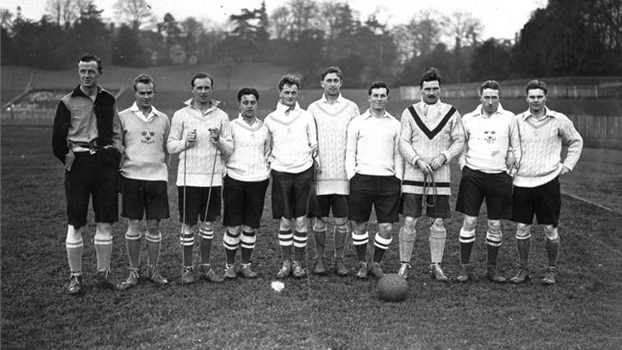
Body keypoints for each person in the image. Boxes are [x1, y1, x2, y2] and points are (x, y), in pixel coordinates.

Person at [52, 53, 123, 294]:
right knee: (76, 221)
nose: (86, 75)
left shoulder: (109, 99)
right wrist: (70, 159)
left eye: (91, 71)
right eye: (82, 71)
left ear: (99, 72)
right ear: (78, 72)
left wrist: (115, 154)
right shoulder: (68, 101)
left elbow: (116, 132)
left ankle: (104, 273)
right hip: (79, 163)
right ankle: (76, 277)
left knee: (105, 220)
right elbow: (57, 141)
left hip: (104, 164)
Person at [510, 79, 583, 285]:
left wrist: (567, 165)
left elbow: (576, 141)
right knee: (522, 227)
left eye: (539, 97)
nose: (535, 100)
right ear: (526, 98)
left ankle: (551, 270)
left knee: (549, 228)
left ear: (545, 98)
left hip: (548, 182)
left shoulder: (558, 120)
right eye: (531, 97)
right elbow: (509, 145)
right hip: (522, 182)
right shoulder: (517, 121)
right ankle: (523, 270)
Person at [397, 67, 464, 281]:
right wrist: (417, 160)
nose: (431, 92)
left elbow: (459, 140)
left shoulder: (452, 112)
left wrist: (443, 157)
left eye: (435, 88)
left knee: (438, 221)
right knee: (409, 221)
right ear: (420, 90)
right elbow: (403, 141)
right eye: (427, 89)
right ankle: (404, 265)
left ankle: (436, 265)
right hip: (414, 175)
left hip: (440, 175)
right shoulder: (409, 112)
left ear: (440, 90)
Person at [167, 73, 233, 284]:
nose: (203, 92)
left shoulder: (221, 116)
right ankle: (187, 269)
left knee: (207, 225)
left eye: (207, 88)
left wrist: (218, 140)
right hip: (188, 179)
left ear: (211, 89)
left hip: (212, 179)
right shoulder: (180, 115)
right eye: (199, 88)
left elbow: (230, 149)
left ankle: (205, 267)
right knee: (188, 224)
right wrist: (185, 142)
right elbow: (170, 146)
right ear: (192, 89)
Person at [455, 80, 520, 283]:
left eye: (494, 97)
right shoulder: (468, 119)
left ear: (499, 97)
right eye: (487, 97)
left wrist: (511, 169)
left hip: (499, 176)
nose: (490, 101)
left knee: (494, 224)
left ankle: (492, 269)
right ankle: (464, 268)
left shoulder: (509, 118)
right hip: (473, 175)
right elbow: (460, 146)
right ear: (480, 97)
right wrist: (464, 168)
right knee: (470, 221)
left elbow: (516, 146)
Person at [117, 74, 170, 290]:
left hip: (156, 177)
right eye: (142, 93)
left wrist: (159, 168)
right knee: (134, 224)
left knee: (154, 225)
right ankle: (133, 271)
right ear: (135, 93)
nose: (146, 96)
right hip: (131, 177)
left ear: (154, 93)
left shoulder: (163, 118)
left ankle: (153, 269)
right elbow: (118, 146)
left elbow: (167, 149)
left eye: (150, 93)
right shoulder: (123, 117)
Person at [346, 81, 403, 279]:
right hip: (362, 179)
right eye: (375, 95)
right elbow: (350, 153)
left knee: (386, 227)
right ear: (369, 98)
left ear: (388, 98)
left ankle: (376, 263)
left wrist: (398, 178)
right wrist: (352, 177)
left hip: (388, 181)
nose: (379, 99)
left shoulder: (395, 124)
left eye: (382, 95)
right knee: (359, 225)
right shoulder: (357, 123)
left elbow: (398, 155)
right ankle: (362, 263)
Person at [307, 66, 360, 276]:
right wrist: (314, 163)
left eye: (335, 80)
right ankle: (319, 260)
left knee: (341, 221)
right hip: (320, 175)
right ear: (322, 83)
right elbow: (310, 140)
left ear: (341, 83)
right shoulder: (312, 108)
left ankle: (339, 260)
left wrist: (353, 169)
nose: (332, 84)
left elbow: (356, 139)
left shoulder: (351, 107)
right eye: (328, 80)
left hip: (343, 174)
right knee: (319, 221)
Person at [264, 74, 318, 279]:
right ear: (280, 93)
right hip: (281, 173)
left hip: (303, 172)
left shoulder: (305, 116)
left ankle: (298, 263)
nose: (290, 96)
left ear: (298, 93)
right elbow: (267, 148)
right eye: (286, 92)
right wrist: (272, 165)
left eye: (294, 92)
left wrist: (314, 162)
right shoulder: (270, 119)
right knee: (286, 221)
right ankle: (286, 263)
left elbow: (314, 144)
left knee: (301, 221)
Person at [219, 88, 271, 279]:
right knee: (234, 225)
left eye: (252, 102)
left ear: (257, 104)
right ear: (239, 105)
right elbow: (223, 151)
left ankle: (245, 264)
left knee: (250, 226)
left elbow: (267, 153)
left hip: (257, 181)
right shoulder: (231, 126)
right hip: (235, 179)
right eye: (245, 102)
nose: (249, 106)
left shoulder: (265, 128)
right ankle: (229, 266)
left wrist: (265, 172)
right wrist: (227, 173)